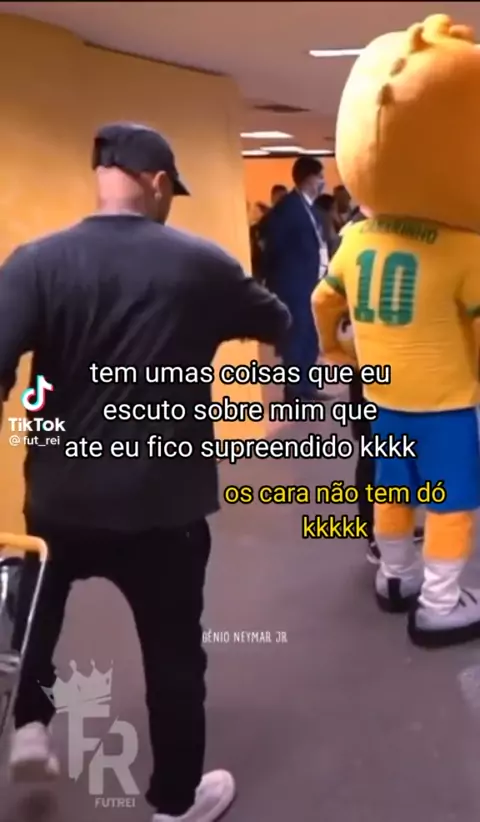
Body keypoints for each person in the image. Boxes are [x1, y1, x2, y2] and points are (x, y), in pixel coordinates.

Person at [0, 121, 291, 822]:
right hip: (163, 504)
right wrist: (211, 322)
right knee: (173, 653)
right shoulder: (201, 264)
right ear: (158, 183)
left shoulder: (34, 262)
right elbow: (277, 319)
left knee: (40, 603)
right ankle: (176, 802)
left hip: (61, 492)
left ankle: (30, 722)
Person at [312, 15, 480, 648]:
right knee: (451, 502)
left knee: (394, 491)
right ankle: (440, 604)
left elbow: (322, 300)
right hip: (445, 402)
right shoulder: (465, 249)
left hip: (382, 396)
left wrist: (333, 348)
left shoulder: (356, 239)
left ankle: (396, 578)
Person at [262, 156, 329, 401]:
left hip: (312, 282)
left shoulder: (311, 209)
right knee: (296, 337)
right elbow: (274, 248)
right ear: (309, 178)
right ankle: (293, 391)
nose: (323, 181)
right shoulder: (287, 209)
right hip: (293, 284)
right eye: (320, 176)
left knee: (311, 335)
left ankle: (307, 386)